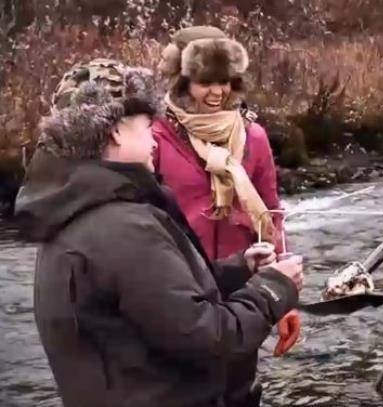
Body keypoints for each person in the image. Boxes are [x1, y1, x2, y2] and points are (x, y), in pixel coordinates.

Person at [14, 59, 303, 407]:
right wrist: (273, 289)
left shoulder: (69, 210)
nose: (154, 139)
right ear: (116, 130)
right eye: (148, 126)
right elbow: (208, 338)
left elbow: (158, 306)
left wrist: (241, 269)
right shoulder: (124, 229)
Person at [153, 25, 300, 405]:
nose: (217, 92)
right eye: (205, 82)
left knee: (239, 391)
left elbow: (271, 216)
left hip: (242, 291)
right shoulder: (154, 138)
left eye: (225, 81)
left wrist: (284, 297)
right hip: (179, 288)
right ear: (182, 80)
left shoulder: (254, 137)